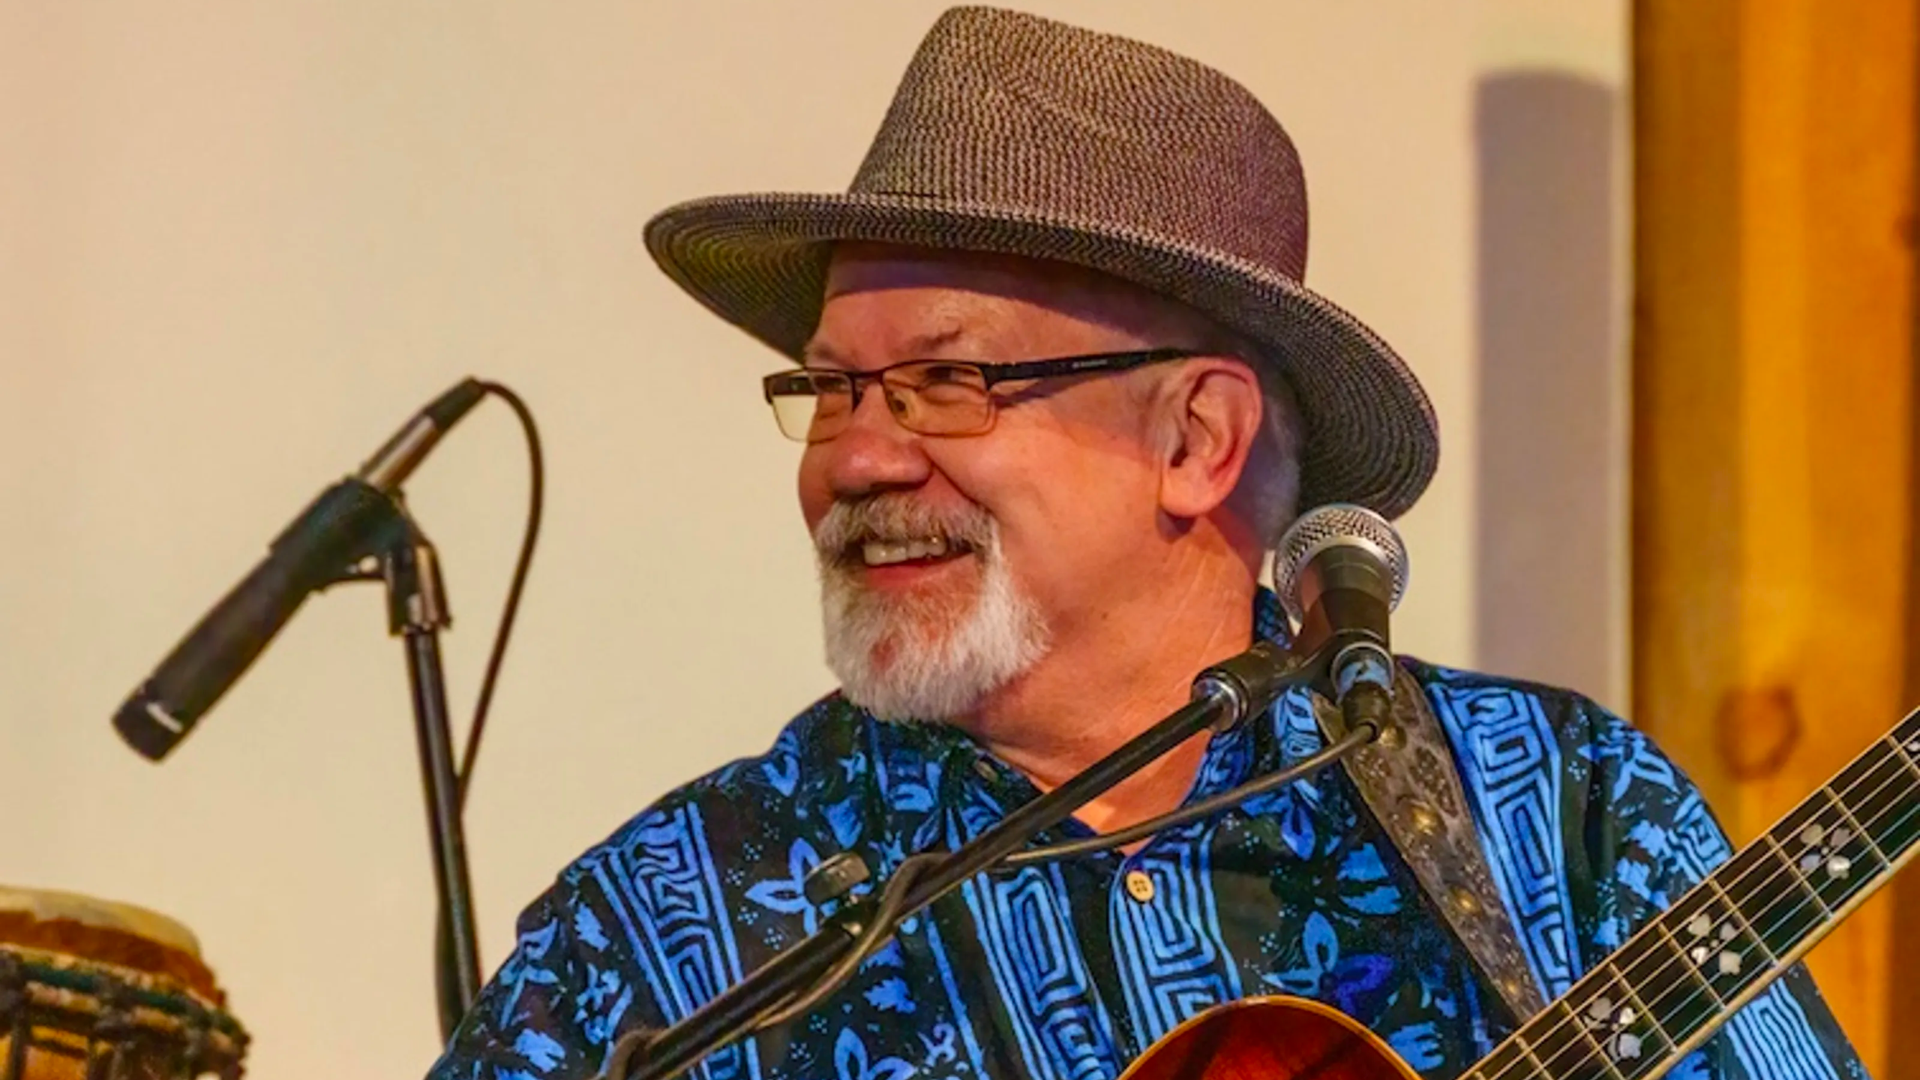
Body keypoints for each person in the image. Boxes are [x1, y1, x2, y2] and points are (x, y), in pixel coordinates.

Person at [429, 8, 1865, 1080]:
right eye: (833, 389)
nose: (855, 457)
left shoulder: (1556, 815)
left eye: (945, 382)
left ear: (1197, 440)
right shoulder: (665, 929)